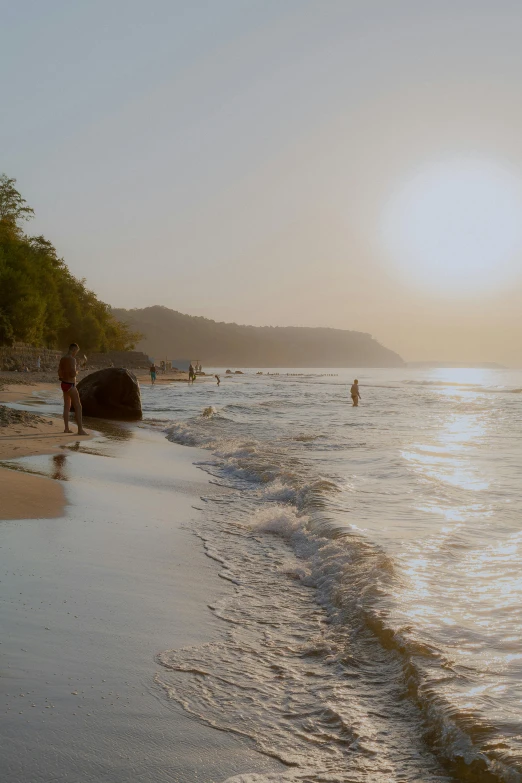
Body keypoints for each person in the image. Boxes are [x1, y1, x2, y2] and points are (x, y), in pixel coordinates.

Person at [58, 343, 88, 435]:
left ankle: (66, 428)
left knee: (67, 406)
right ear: (74, 350)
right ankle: (80, 430)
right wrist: (77, 370)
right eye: (76, 351)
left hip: (63, 384)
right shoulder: (72, 359)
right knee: (78, 406)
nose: (76, 353)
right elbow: (72, 374)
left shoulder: (63, 359)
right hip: (70, 385)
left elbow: (59, 372)